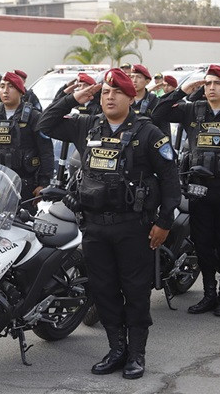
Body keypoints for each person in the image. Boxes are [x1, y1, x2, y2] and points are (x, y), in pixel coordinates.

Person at [37, 68, 180, 379]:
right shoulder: (87, 125)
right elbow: (45, 124)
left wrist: (165, 221)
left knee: (135, 291)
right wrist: (73, 97)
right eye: (105, 92)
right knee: (103, 291)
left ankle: (136, 354)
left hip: (133, 227)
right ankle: (116, 349)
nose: (110, 96)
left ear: (131, 98)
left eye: (117, 92)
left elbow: (170, 179)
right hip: (94, 227)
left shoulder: (148, 133)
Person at [151, 64, 220, 317]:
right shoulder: (194, 110)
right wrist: (182, 90)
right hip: (199, 188)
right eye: (207, 83)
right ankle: (209, 294)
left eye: (216, 83)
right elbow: (157, 114)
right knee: (203, 244)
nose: (211, 88)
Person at [0, 72, 53, 203]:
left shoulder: (33, 116)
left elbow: (46, 151)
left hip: (24, 184)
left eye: (10, 86)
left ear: (21, 91)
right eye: (2, 86)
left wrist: (43, 183)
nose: (5, 91)